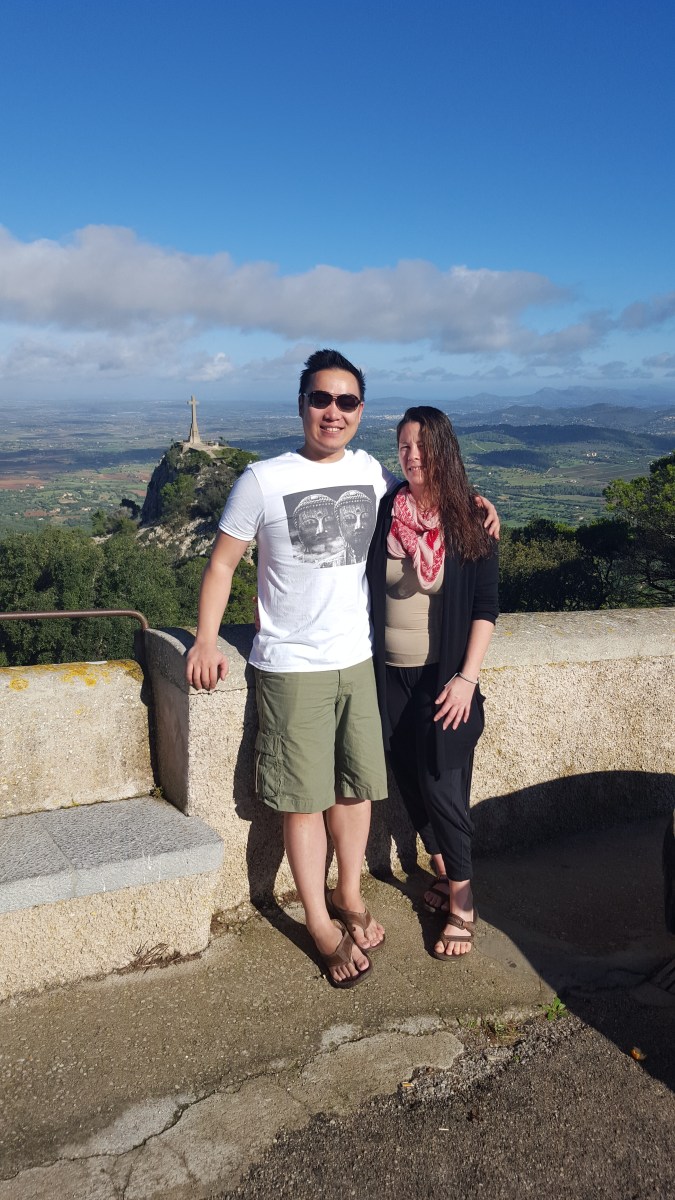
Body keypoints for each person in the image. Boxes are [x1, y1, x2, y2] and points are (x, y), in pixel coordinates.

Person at [186, 351, 499, 987]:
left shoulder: (371, 474)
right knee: (304, 801)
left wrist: (477, 502)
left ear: (359, 410)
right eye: (322, 399)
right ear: (302, 404)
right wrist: (205, 640)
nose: (334, 411)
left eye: (347, 401)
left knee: (357, 789)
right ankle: (320, 924)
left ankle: (349, 895)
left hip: (359, 661)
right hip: (292, 664)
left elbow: (434, 498)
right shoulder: (262, 479)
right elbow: (221, 564)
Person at [366, 407, 499, 960]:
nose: (412, 456)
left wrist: (467, 678)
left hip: (443, 677)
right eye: (404, 446)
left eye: (422, 446)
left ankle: (463, 901)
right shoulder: (386, 510)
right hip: (388, 673)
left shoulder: (470, 519)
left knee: (441, 780)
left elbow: (485, 607)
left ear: (443, 450)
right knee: (405, 771)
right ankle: (443, 868)